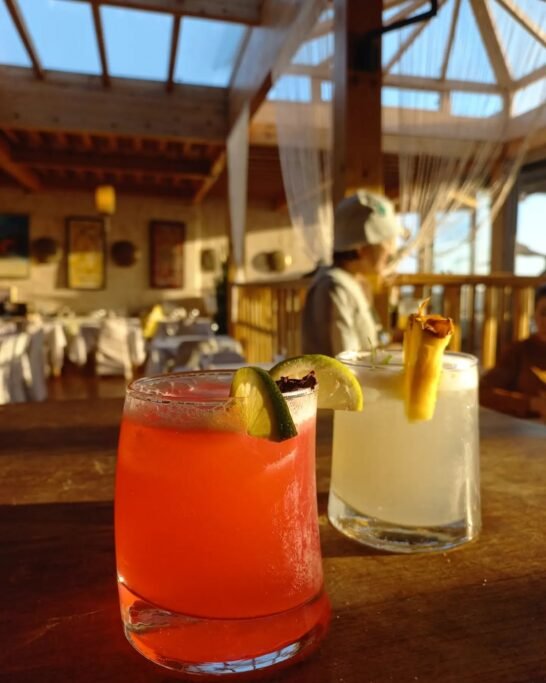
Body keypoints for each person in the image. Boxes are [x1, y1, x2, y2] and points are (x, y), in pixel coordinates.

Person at [301, 190, 402, 356]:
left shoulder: (353, 282)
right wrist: (395, 355)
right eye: (387, 242)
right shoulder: (333, 288)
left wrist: (391, 341)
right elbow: (345, 362)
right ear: (361, 248)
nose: (391, 250)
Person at [479, 284, 546, 420]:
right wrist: (532, 404)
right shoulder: (519, 351)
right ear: (535, 315)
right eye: (545, 313)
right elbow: (482, 393)